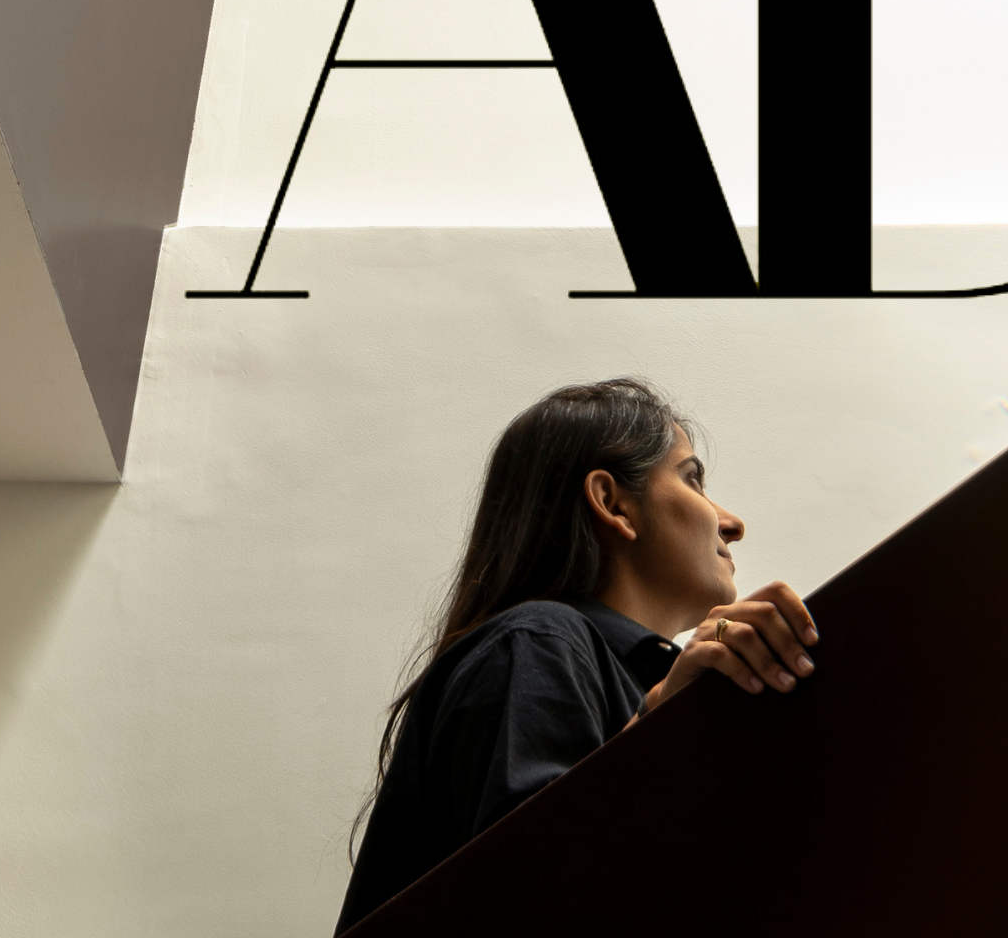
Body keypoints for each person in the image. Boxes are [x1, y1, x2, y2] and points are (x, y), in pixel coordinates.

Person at [334, 378, 818, 932]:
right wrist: (663, 735)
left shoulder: (605, 671)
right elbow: (540, 898)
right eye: (692, 479)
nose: (731, 522)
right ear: (613, 503)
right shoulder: (539, 640)